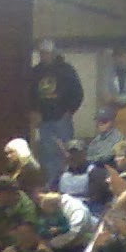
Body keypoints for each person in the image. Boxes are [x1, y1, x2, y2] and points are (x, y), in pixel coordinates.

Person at [31, 39, 84, 187]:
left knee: (66, 152)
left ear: (54, 53)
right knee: (47, 154)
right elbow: (29, 94)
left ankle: (66, 182)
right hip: (44, 121)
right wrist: (34, 111)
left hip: (62, 119)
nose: (44, 56)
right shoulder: (35, 72)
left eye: (46, 53)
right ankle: (51, 184)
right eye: (41, 53)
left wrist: (69, 111)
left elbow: (77, 92)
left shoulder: (66, 70)